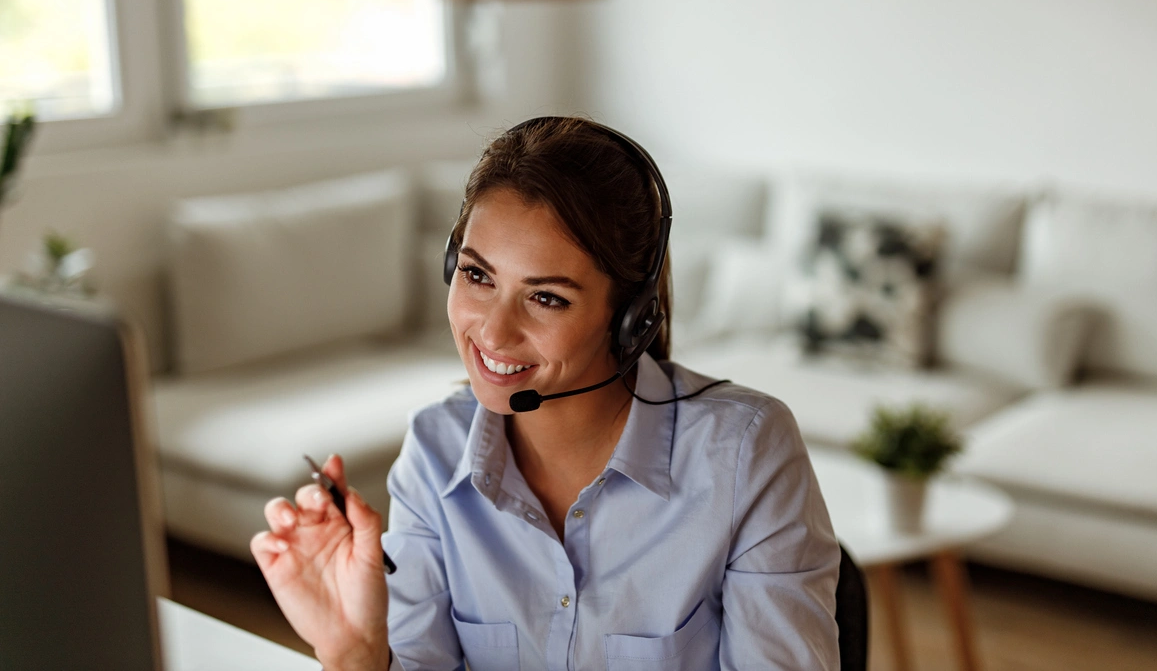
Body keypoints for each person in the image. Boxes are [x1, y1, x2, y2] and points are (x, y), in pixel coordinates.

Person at [250, 117, 842, 670]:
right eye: (478, 275)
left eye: (547, 297)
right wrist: (357, 651)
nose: (492, 331)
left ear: (630, 318)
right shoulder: (435, 450)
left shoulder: (743, 453)